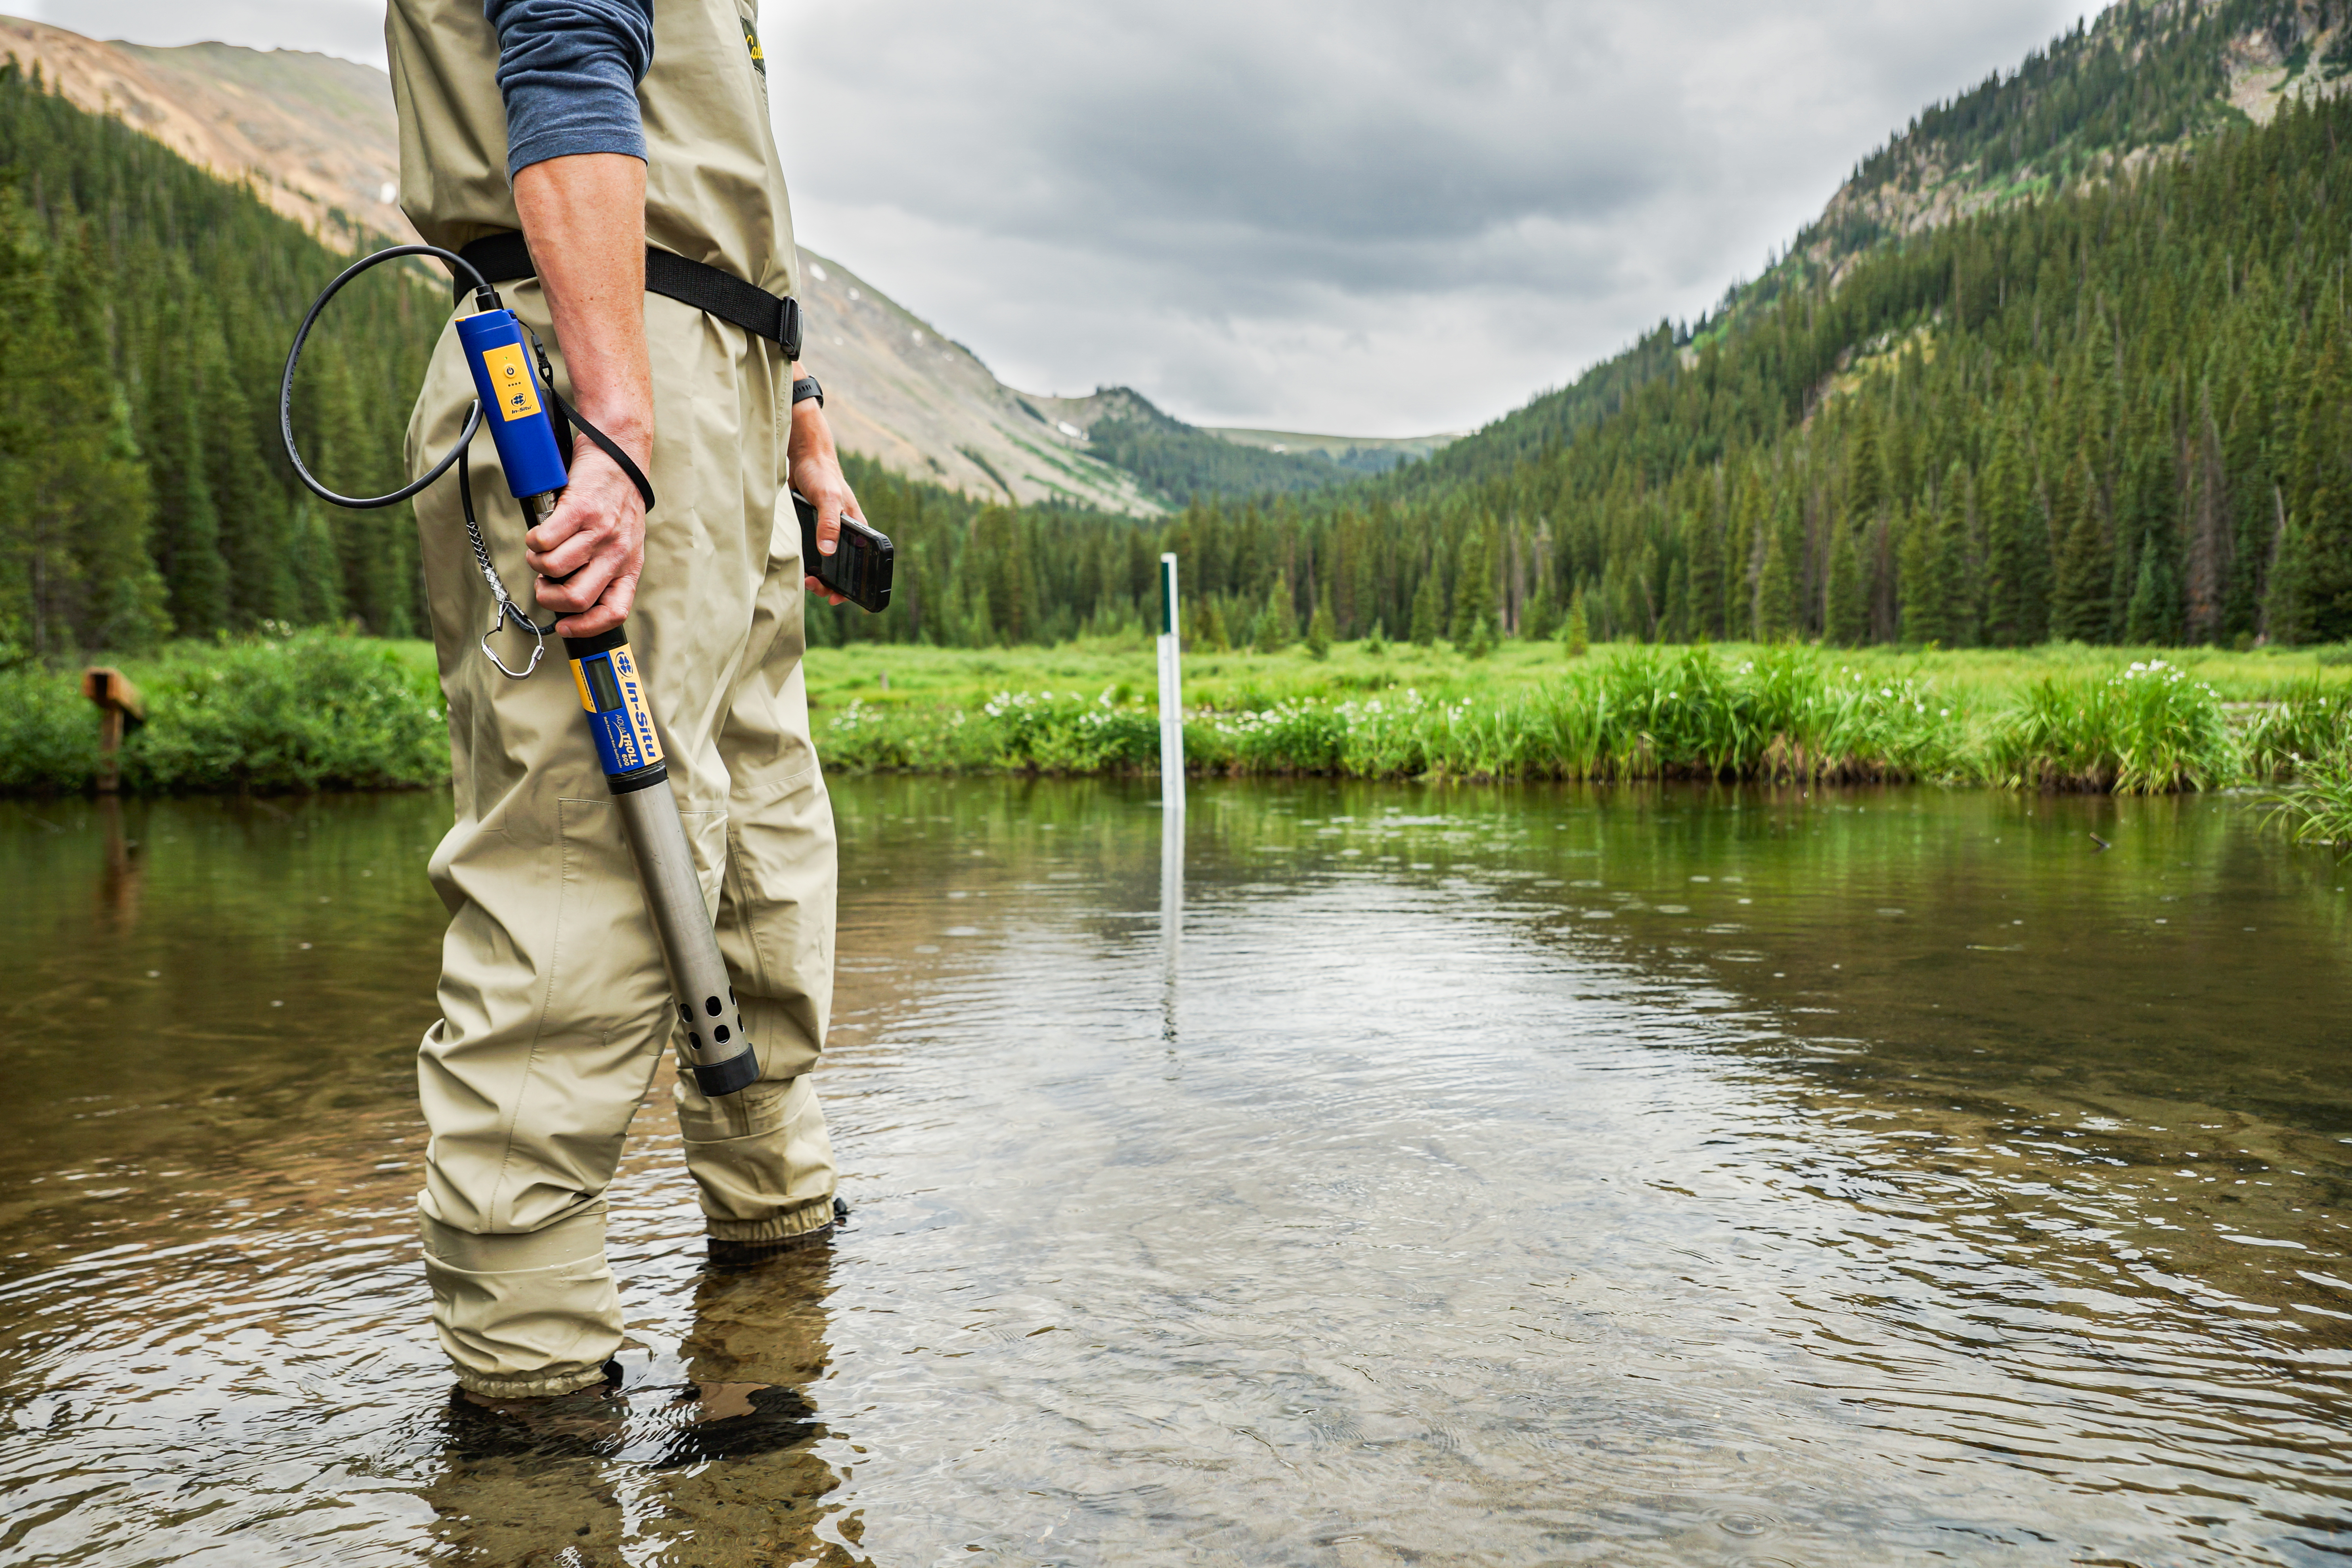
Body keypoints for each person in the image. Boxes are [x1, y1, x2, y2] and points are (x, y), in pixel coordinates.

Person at [387, 0, 859, 1407]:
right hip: (608, 372)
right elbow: (563, 61)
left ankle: (778, 1282)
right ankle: (529, 1432)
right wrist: (620, 424)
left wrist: (801, 419)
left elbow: (714, 179)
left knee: (761, 864)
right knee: (580, 881)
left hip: (725, 391)